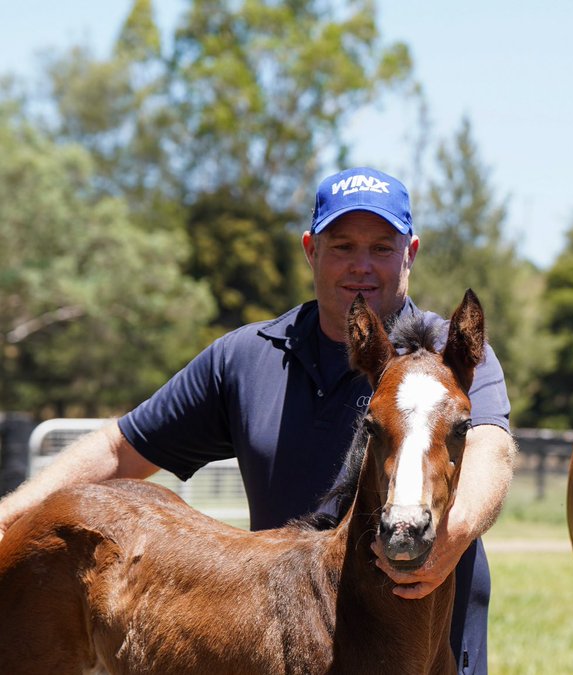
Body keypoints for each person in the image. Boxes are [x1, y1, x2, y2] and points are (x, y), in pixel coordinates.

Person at [0, 166, 515, 674]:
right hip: (287, 637)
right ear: (311, 250)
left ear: (411, 254)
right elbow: (122, 448)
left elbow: (490, 450)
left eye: (381, 247)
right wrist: (10, 515)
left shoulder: (445, 361)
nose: (362, 266)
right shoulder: (248, 357)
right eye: (342, 246)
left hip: (433, 633)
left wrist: (443, 536)